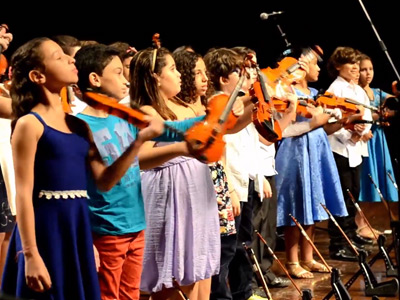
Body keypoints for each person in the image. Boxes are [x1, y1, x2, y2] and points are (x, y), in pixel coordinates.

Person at [0, 37, 165, 300]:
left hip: (77, 231)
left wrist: (140, 141)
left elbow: (104, 181)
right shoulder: (30, 124)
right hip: (47, 233)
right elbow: (23, 195)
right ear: (37, 76)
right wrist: (30, 253)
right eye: (58, 56)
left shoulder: (78, 126)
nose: (70, 58)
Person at [74, 43, 206, 300]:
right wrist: (138, 143)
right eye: (118, 73)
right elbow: (103, 181)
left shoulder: (125, 116)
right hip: (107, 228)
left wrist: (211, 119)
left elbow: (170, 128)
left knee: (131, 295)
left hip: (136, 224)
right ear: (95, 79)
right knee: (109, 295)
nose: (126, 81)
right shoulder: (82, 125)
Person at [130, 45, 220, 300]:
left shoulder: (180, 107)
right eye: (172, 68)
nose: (179, 74)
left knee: (199, 268)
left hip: (195, 194)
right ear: (155, 76)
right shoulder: (147, 112)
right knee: (173, 275)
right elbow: (139, 158)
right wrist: (183, 149)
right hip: (170, 196)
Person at [274, 46, 348, 277]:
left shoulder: (315, 94)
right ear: (302, 65)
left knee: (314, 202)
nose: (318, 69)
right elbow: (283, 128)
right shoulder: (286, 91)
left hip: (316, 150)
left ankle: (309, 257)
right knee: (296, 204)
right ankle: (293, 260)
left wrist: (338, 119)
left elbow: (323, 127)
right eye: (315, 64)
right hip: (295, 152)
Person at [324, 46, 374, 262]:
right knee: (342, 197)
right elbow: (330, 121)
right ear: (337, 67)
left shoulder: (357, 89)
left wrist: (364, 130)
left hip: (355, 150)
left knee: (353, 192)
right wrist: (351, 134)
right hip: (339, 149)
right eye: (350, 64)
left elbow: (366, 113)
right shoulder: (335, 90)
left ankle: (351, 235)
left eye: (357, 63)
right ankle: (338, 244)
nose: (356, 67)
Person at [357, 53, 398, 239]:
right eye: (363, 69)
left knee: (382, 181)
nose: (368, 73)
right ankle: (360, 223)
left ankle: (366, 222)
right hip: (365, 141)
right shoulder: (355, 94)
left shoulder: (377, 92)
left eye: (370, 69)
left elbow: (393, 103)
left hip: (379, 142)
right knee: (367, 181)